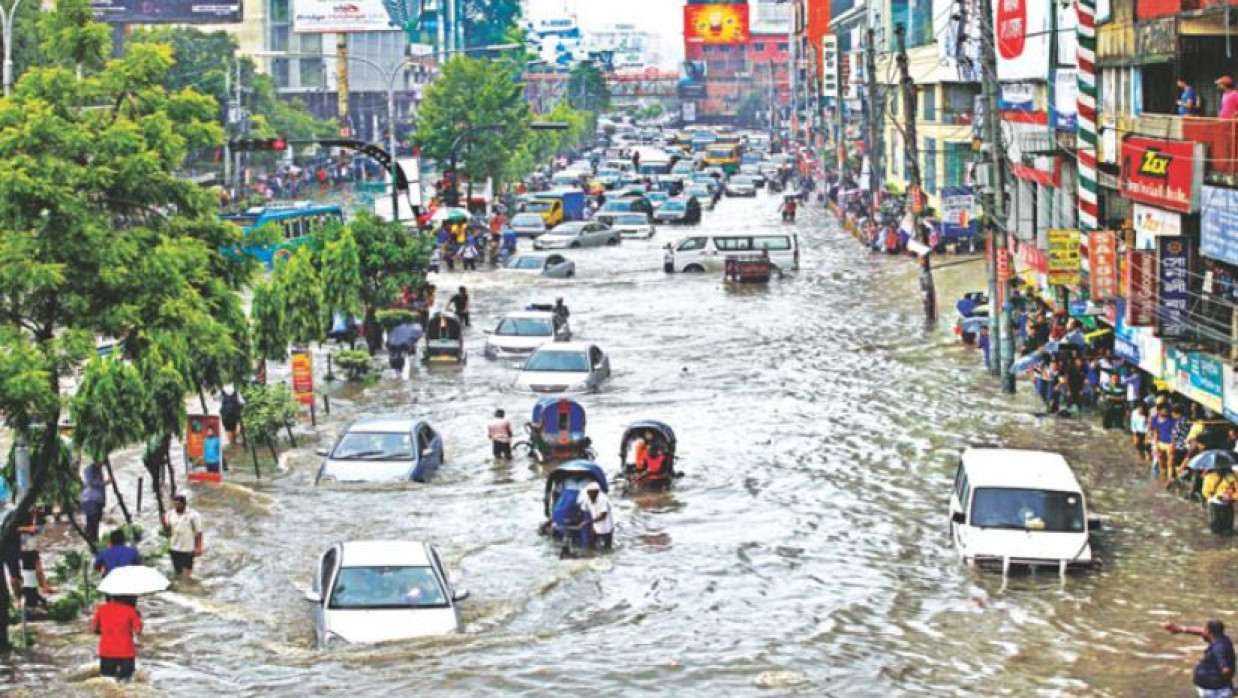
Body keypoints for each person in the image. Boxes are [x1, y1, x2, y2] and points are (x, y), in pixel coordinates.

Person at [1163, 619, 1235, 697]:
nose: (1203, 631)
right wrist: (1180, 629)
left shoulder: (1219, 647)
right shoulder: (1222, 639)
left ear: (1209, 632)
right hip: (1212, 686)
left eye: (1205, 629)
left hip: (1210, 685)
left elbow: (1226, 669)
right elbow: (1201, 631)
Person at [91, 595, 142, 681]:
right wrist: (138, 617)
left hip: (107, 651)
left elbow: (94, 629)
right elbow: (138, 631)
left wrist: (104, 632)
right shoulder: (131, 610)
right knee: (126, 683)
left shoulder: (101, 609)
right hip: (126, 652)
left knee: (107, 681)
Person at [163, 494, 203, 579]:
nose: (176, 506)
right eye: (175, 504)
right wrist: (163, 521)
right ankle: (181, 580)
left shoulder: (193, 515)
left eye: (178, 504)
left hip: (188, 547)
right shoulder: (170, 514)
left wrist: (199, 547)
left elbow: (198, 532)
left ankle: (186, 582)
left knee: (187, 568)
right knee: (178, 570)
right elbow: (168, 529)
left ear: (184, 504)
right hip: (174, 546)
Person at [576, 483, 614, 550]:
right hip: (595, 526)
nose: (589, 494)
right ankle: (592, 557)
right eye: (588, 492)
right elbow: (583, 509)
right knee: (591, 544)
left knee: (607, 547)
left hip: (607, 527)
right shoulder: (588, 498)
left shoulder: (603, 499)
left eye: (590, 493)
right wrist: (578, 519)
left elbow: (603, 516)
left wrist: (587, 522)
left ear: (596, 492)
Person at [1203, 465, 1238, 534]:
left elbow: (1205, 492)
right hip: (1227, 504)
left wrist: (1217, 497)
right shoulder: (1232, 477)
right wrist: (1232, 497)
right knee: (1227, 526)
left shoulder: (1209, 477)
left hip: (1214, 503)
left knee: (1215, 525)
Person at [80, 461, 107, 546]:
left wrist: (103, 502)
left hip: (96, 500)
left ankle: (92, 543)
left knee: (95, 523)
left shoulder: (99, 470)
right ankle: (92, 543)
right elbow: (90, 482)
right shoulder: (89, 469)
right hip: (91, 499)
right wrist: (105, 483)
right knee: (92, 523)